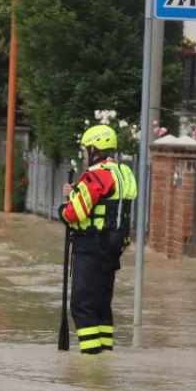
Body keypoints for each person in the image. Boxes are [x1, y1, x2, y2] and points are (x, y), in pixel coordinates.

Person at [60, 124, 138, 355]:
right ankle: (106, 353)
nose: (84, 153)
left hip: (91, 246)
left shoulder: (96, 176)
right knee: (102, 306)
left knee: (82, 307)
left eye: (86, 149)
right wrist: (76, 192)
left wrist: (63, 206)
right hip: (112, 247)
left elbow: (74, 214)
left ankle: (92, 364)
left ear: (94, 149)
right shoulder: (123, 173)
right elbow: (105, 202)